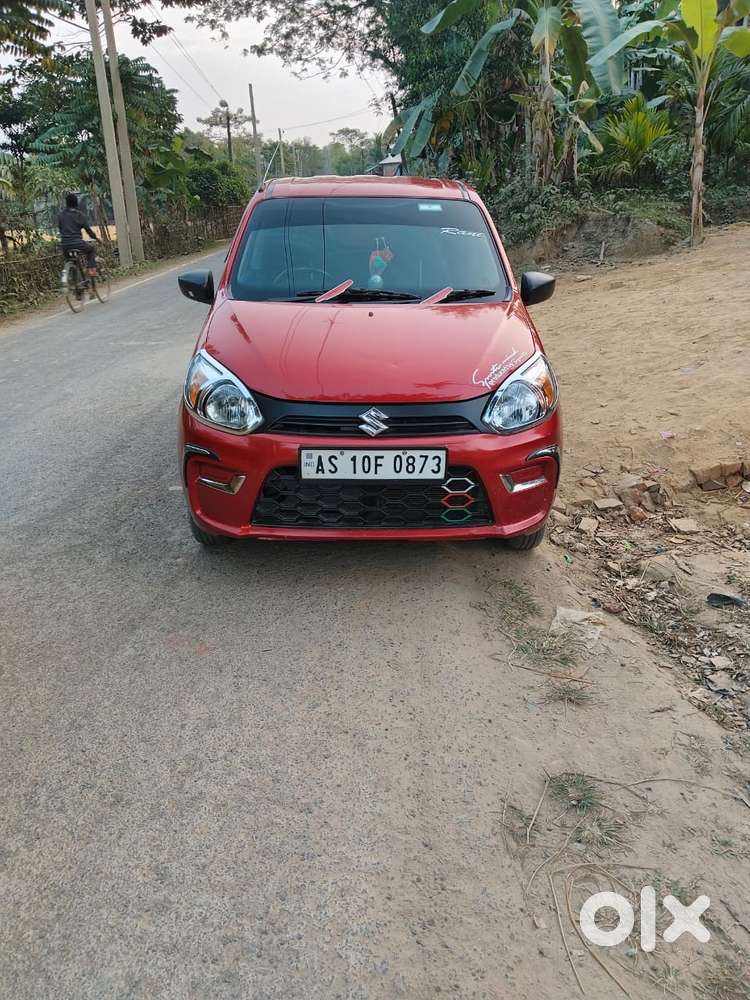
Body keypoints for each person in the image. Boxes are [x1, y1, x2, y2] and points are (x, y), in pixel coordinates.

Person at [58, 193, 100, 276]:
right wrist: (97, 239)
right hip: (78, 244)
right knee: (91, 249)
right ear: (76, 203)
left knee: (71, 260)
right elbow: (89, 231)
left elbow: (60, 229)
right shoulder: (79, 215)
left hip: (65, 245)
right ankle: (91, 270)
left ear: (66, 203)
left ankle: (74, 281)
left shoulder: (61, 215)